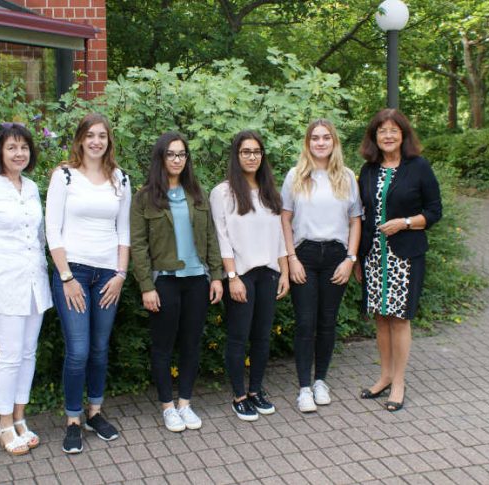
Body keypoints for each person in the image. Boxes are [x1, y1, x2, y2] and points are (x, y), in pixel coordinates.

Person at [45, 113, 131, 453]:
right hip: (74, 275)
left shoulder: (120, 179)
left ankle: (95, 412)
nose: (97, 141)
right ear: (80, 139)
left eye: (103, 136)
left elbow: (123, 232)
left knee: (99, 348)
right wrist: (66, 277)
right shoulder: (64, 176)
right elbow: (52, 231)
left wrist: (121, 275)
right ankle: (72, 419)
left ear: (109, 141)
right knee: (78, 350)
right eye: (90, 135)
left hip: (108, 275)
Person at [0, 123, 53, 456]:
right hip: (3, 287)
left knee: (29, 353)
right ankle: (4, 423)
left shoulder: (31, 188)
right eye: (12, 148)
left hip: (35, 285)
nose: (19, 153)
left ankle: (20, 417)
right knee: (10, 356)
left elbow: (40, 238)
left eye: (24, 147)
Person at [130, 131, 223, 432]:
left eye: (181, 154)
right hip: (165, 282)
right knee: (163, 346)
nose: (177, 159)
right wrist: (146, 286)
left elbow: (210, 236)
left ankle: (185, 403)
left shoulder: (197, 193)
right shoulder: (145, 198)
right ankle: (167, 407)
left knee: (192, 344)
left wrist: (217, 276)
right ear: (161, 157)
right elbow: (139, 246)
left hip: (197, 280)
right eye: (171, 154)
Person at [356, 108, 442, 412]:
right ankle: (384, 376)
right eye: (382, 131)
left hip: (404, 255)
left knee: (399, 318)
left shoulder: (418, 167)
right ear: (374, 137)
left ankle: (400, 382)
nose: (388, 136)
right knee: (381, 317)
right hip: (373, 256)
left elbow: (434, 212)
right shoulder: (368, 170)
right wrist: (356, 258)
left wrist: (404, 222)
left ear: (403, 135)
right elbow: (361, 216)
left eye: (394, 130)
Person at [281, 119, 362, 413]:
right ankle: (303, 387)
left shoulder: (347, 177)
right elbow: (285, 219)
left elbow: (355, 221)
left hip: (336, 256)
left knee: (327, 322)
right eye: (315, 138)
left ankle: (320, 381)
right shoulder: (295, 176)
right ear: (308, 143)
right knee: (305, 323)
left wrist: (350, 259)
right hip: (304, 253)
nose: (320, 142)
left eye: (326, 138)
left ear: (334, 142)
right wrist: (291, 259)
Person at [209, 131, 289, 422]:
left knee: (262, 337)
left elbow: (280, 235)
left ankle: (256, 390)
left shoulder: (271, 193)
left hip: (269, 273)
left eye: (256, 151)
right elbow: (222, 237)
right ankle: (239, 395)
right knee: (238, 337)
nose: (252, 156)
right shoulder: (223, 192)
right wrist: (231, 277)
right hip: (241, 275)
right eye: (246, 151)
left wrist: (284, 272)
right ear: (236, 155)